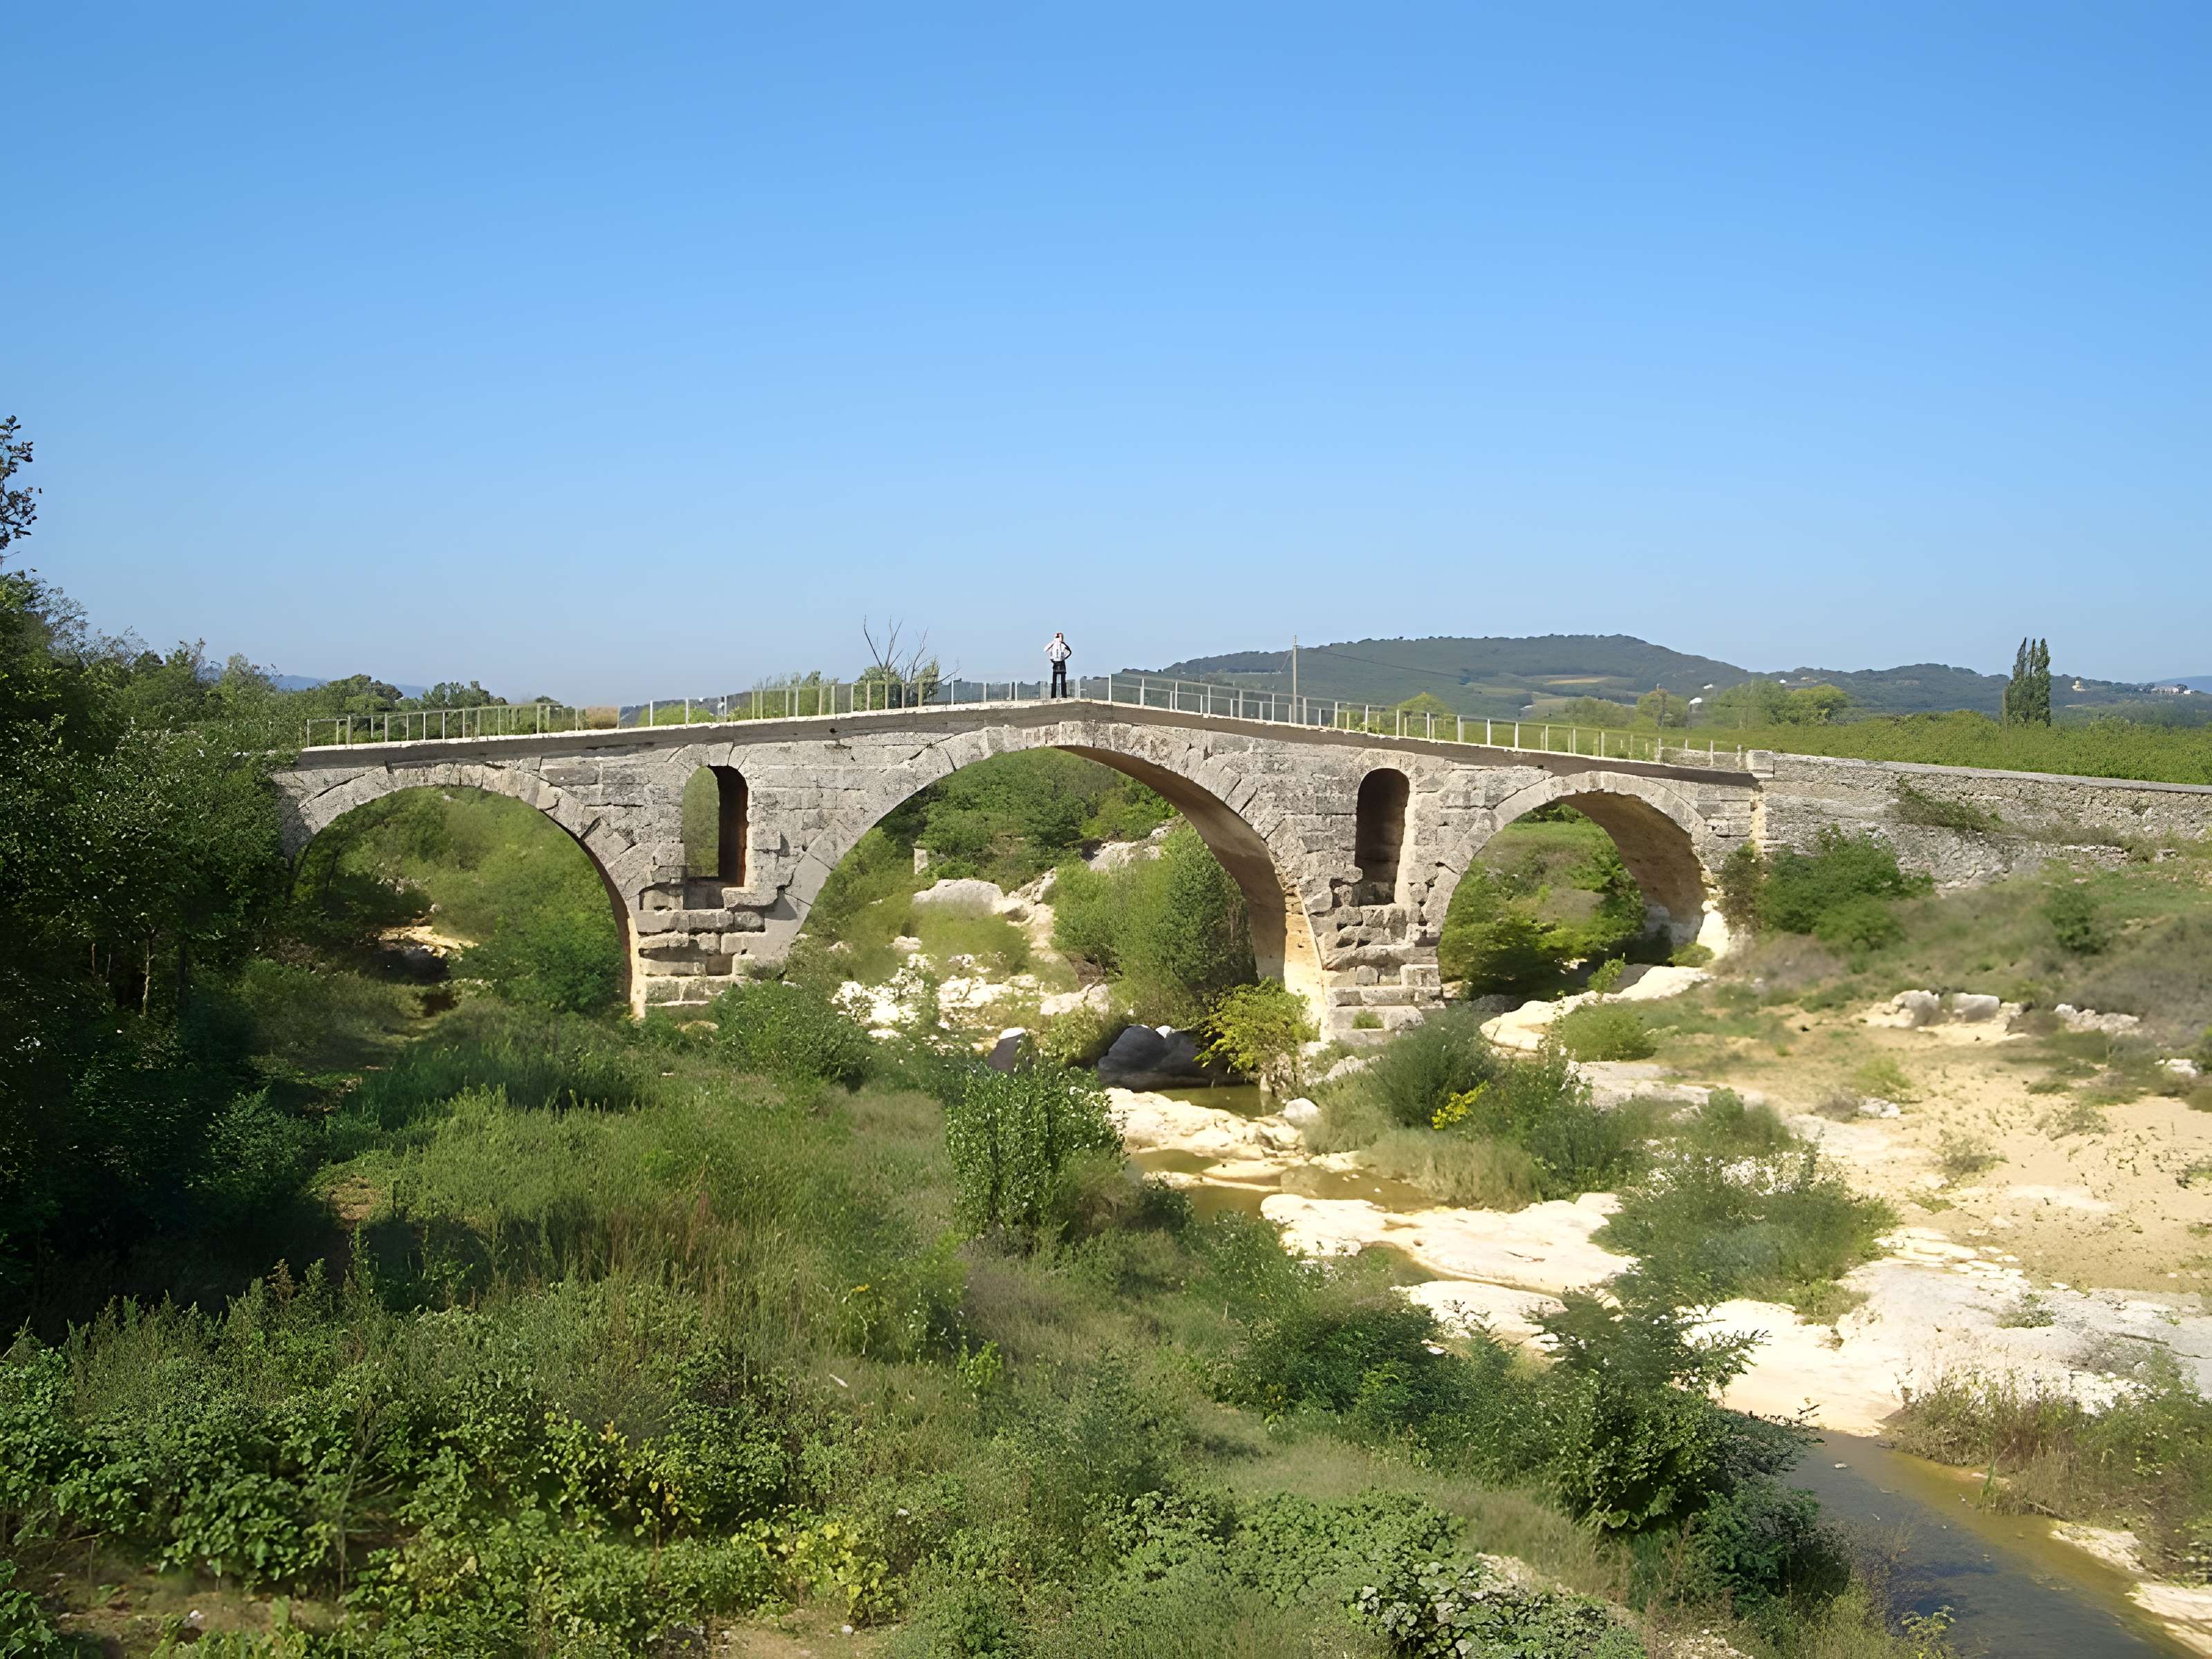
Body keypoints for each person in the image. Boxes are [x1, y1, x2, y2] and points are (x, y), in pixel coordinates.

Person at [1044, 630, 1071, 697]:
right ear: (1057, 637)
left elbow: (1070, 652)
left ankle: (1064, 696)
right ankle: (1053, 696)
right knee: (1054, 681)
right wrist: (1053, 641)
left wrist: (1065, 657)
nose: (1062, 638)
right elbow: (1045, 649)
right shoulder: (1053, 644)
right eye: (1061, 637)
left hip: (1061, 662)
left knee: (1063, 681)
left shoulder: (1063, 645)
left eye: (1062, 636)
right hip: (1055, 663)